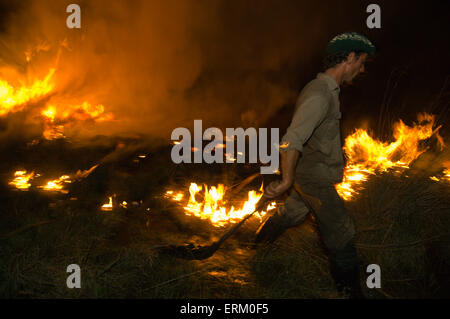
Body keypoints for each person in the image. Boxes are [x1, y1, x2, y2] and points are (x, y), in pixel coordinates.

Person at [256, 32, 376, 298]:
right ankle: (350, 291)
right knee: (341, 231)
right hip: (314, 179)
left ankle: (254, 247)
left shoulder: (324, 90)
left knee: (292, 214)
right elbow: (291, 141)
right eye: (362, 61)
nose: (362, 69)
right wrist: (286, 181)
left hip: (307, 173)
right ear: (350, 57)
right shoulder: (320, 95)